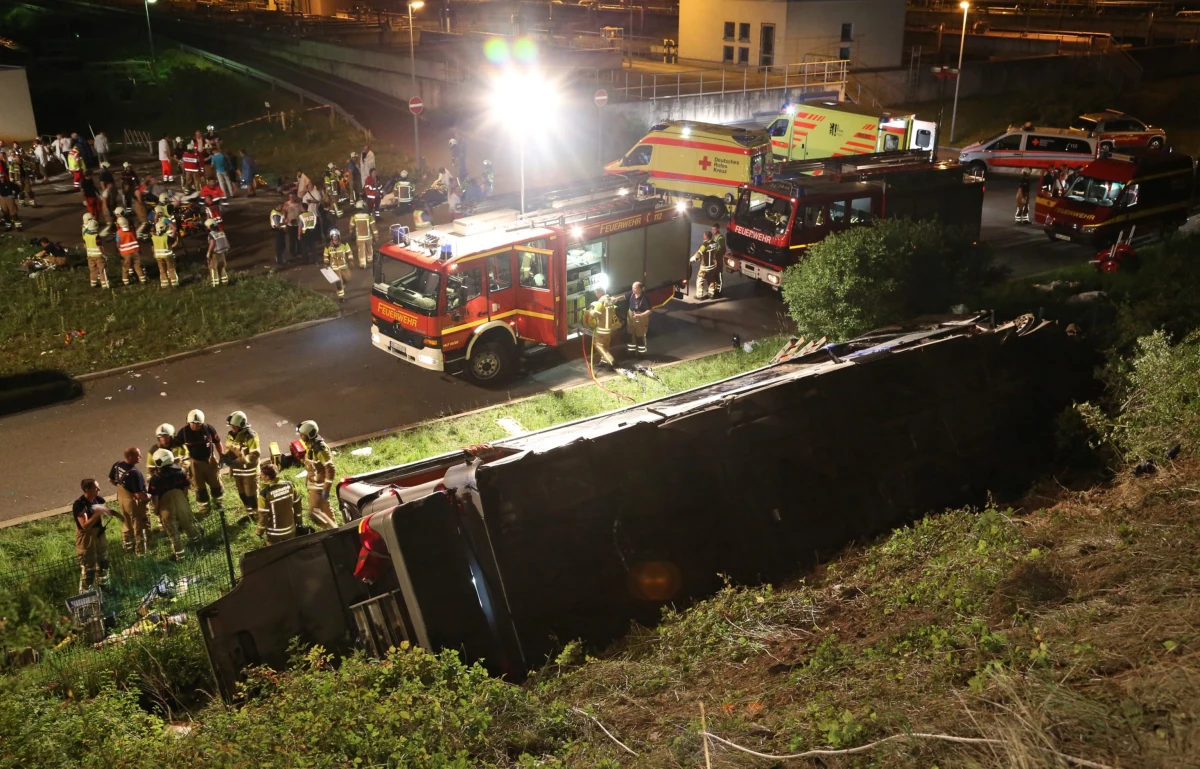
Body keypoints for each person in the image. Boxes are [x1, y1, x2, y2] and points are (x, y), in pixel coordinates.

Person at [149, 448, 201, 560]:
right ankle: (198, 544)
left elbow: (155, 497)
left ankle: (180, 556)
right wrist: (183, 499)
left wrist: (157, 510)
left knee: (173, 533)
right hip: (181, 501)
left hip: (166, 506)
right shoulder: (180, 471)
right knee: (188, 525)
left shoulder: (155, 479)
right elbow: (186, 487)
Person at [175, 410, 224, 516]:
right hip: (195, 463)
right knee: (199, 487)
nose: (195, 427)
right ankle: (204, 509)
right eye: (193, 424)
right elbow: (176, 447)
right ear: (188, 422)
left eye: (198, 425)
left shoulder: (209, 429)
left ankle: (219, 504)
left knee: (216, 484)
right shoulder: (183, 433)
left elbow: (217, 442)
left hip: (210, 461)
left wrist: (222, 455)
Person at [108, 447, 151, 554]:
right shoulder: (135, 473)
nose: (141, 457)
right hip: (132, 503)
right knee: (138, 525)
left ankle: (127, 545)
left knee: (126, 521)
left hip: (122, 499)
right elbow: (139, 495)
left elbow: (111, 480)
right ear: (130, 457)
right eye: (138, 455)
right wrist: (150, 496)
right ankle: (140, 551)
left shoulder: (117, 465)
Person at [296, 420, 338, 529]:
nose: (300, 436)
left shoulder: (320, 449)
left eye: (302, 434)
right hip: (314, 482)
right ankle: (336, 529)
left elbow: (330, 468)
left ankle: (330, 530)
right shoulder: (311, 445)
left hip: (319, 485)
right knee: (325, 507)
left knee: (314, 513)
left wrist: (326, 488)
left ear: (309, 434)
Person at [72, 479, 111, 591]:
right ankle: (85, 594)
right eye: (95, 488)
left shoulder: (98, 500)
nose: (99, 489)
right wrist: (97, 513)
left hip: (99, 534)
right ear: (87, 490)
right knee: (89, 569)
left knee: (103, 563)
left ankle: (105, 588)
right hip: (86, 538)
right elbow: (85, 526)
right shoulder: (80, 505)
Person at [224, 411, 260, 520]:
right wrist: (224, 457)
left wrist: (238, 461)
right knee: (243, 495)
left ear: (241, 424)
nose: (232, 428)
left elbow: (255, 455)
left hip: (249, 473)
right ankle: (250, 515)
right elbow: (228, 448)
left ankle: (258, 516)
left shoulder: (250, 435)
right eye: (231, 426)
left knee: (251, 496)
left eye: (234, 426)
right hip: (238, 472)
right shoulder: (231, 435)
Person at [256, 463, 301, 544]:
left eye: (262, 475)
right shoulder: (291, 485)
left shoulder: (264, 494)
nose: (260, 477)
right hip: (290, 530)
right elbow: (297, 505)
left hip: (275, 534)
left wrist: (259, 532)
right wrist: (299, 521)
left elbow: (263, 515)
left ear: (267, 477)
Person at [586, 286, 621, 368]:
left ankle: (611, 361)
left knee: (598, 344)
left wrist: (590, 309)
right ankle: (603, 361)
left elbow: (596, 314)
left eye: (596, 293)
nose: (596, 295)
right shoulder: (609, 299)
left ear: (599, 292)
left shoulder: (601, 301)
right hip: (609, 328)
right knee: (605, 346)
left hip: (602, 329)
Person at [323, 228, 352, 301]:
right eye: (333, 236)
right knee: (338, 282)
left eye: (336, 236)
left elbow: (349, 252)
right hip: (335, 268)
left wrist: (351, 259)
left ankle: (343, 283)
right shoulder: (328, 247)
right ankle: (341, 297)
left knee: (347, 278)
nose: (335, 237)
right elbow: (325, 255)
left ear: (339, 236)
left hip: (344, 266)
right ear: (331, 237)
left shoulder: (344, 244)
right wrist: (326, 263)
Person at [115, 215, 145, 285]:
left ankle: (126, 281)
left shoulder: (118, 233)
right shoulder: (131, 231)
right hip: (135, 251)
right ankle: (142, 279)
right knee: (137, 266)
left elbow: (118, 244)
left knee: (125, 267)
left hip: (125, 253)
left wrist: (119, 251)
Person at [691, 231, 721, 300]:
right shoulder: (715, 243)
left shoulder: (704, 246)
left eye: (704, 235)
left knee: (700, 280)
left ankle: (699, 296)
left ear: (706, 237)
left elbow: (697, 255)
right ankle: (711, 294)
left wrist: (690, 261)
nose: (703, 236)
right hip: (713, 267)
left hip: (704, 267)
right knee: (711, 279)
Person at [151, 217, 180, 287]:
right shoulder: (166, 237)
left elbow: (152, 247)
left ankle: (164, 284)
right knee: (171, 269)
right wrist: (174, 243)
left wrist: (155, 253)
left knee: (162, 270)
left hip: (158, 257)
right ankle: (174, 283)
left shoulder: (153, 237)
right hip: (168, 256)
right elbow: (175, 243)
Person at [82, 213, 109, 288]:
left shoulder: (86, 234)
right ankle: (104, 284)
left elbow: (85, 244)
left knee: (93, 270)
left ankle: (93, 284)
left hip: (90, 255)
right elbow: (99, 247)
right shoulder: (96, 236)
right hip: (98, 255)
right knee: (102, 270)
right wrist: (104, 255)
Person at [626, 281, 653, 354]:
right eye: (632, 288)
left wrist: (640, 315)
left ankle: (641, 354)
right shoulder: (631, 293)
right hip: (631, 316)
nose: (633, 290)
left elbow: (650, 310)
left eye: (634, 288)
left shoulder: (645, 297)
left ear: (640, 289)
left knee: (640, 335)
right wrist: (615, 299)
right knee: (631, 334)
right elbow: (623, 297)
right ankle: (631, 352)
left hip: (640, 318)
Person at [350, 199, 376, 269]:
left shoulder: (354, 217)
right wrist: (376, 236)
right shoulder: (369, 216)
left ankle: (362, 263)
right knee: (369, 248)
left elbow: (351, 226)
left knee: (361, 250)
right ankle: (370, 259)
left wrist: (351, 233)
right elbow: (374, 227)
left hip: (360, 238)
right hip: (368, 237)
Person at [206, 218, 230, 286]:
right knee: (222, 267)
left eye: (207, 226)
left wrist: (208, 253)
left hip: (215, 254)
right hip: (222, 252)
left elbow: (212, 244)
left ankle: (215, 284)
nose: (207, 228)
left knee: (213, 268)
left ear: (210, 226)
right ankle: (225, 282)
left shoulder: (211, 234)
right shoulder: (221, 232)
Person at [284, 192, 303, 261]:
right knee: (291, 239)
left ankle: (299, 251)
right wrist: (285, 218)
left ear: (295, 197)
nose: (291, 198)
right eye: (290, 197)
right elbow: (284, 212)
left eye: (293, 197)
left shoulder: (298, 204)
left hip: (298, 223)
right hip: (290, 224)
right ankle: (292, 252)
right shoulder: (287, 204)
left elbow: (302, 211)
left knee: (298, 237)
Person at [269, 200, 287, 266]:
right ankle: (280, 260)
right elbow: (277, 225)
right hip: (278, 231)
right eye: (281, 206)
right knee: (280, 246)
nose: (282, 207)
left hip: (280, 230)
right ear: (277, 207)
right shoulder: (276, 215)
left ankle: (280, 258)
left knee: (281, 245)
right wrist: (285, 223)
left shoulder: (276, 211)